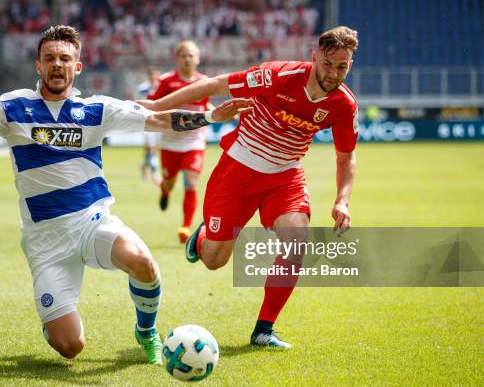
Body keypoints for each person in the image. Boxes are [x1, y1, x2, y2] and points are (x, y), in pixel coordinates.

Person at [0, 25, 253, 363]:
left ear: (78, 66)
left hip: (92, 222)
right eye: (50, 58)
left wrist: (209, 116)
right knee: (71, 347)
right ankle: (54, 326)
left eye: (65, 59)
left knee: (144, 264)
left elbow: (159, 120)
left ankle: (146, 331)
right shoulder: (11, 106)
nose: (57, 64)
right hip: (46, 242)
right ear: (38, 66)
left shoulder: (97, 110)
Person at [139, 26, 359, 349]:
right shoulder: (277, 76)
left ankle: (263, 330)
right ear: (314, 58)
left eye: (342, 66)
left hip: (285, 177)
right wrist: (156, 106)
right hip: (238, 172)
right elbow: (214, 85)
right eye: (328, 64)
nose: (333, 73)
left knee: (297, 243)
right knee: (215, 260)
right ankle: (201, 239)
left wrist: (343, 200)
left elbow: (346, 158)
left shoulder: (344, 105)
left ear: (350, 65)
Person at [147, 40, 213, 243]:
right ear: (177, 58)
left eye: (191, 55)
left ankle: (185, 227)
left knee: (191, 182)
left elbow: (204, 104)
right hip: (170, 143)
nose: (187, 59)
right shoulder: (167, 82)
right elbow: (152, 104)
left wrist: (220, 113)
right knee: (170, 181)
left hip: (194, 142)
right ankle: (165, 190)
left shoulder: (205, 82)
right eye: (183, 55)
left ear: (198, 58)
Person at [137, 66, 162, 185]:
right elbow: (139, 102)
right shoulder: (143, 88)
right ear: (148, 76)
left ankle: (144, 166)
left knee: (152, 148)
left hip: (159, 120)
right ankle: (156, 173)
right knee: (151, 148)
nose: (153, 77)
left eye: (155, 75)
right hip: (147, 120)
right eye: (151, 75)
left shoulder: (161, 87)